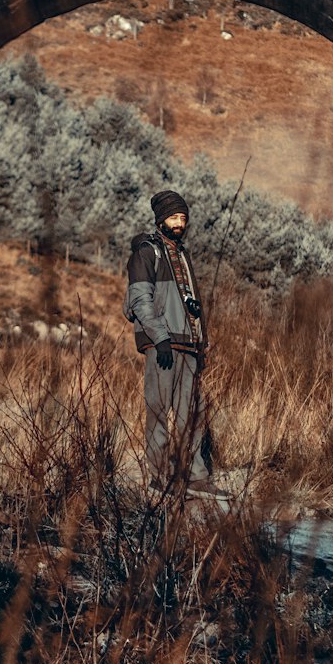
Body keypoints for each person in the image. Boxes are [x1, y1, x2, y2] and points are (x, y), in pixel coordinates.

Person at [123, 189, 215, 496]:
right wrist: (160, 337)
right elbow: (139, 299)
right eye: (174, 217)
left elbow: (189, 303)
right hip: (163, 345)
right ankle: (160, 479)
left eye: (183, 218)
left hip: (188, 345)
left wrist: (202, 342)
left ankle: (197, 477)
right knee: (159, 412)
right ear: (161, 219)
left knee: (194, 414)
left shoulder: (182, 254)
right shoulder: (147, 252)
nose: (179, 223)